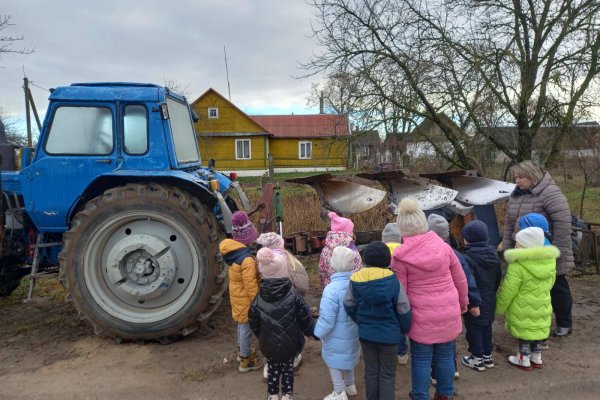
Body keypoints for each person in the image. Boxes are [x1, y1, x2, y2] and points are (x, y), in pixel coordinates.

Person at [391, 198, 468, 400]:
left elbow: (401, 293)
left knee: (421, 359)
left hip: (420, 315)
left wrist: (401, 320)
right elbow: (460, 277)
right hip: (448, 310)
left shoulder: (400, 256)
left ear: (402, 229)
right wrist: (463, 302)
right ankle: (445, 394)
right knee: (445, 356)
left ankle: (420, 395)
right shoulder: (443, 247)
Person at [503, 160, 574, 337]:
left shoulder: (551, 193)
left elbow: (563, 224)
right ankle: (531, 324)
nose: (517, 181)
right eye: (516, 177)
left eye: (521, 177)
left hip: (546, 250)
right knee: (529, 289)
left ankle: (564, 322)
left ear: (532, 176)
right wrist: (507, 247)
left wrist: (558, 252)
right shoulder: (516, 194)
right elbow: (509, 224)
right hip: (522, 250)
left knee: (557, 286)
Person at [344, 241, 412, 400]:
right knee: (387, 373)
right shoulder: (394, 281)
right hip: (390, 336)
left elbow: (348, 303)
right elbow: (404, 308)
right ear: (387, 260)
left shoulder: (355, 280)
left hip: (366, 335)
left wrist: (359, 319)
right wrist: (403, 328)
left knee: (371, 371)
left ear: (365, 259)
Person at [249, 247, 316, 400]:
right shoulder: (295, 297)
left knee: (272, 369)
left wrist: (261, 335)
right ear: (284, 272)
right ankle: (287, 395)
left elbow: (253, 321)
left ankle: (272, 395)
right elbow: (304, 319)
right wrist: (311, 332)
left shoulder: (257, 299)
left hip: (268, 343)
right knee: (287, 370)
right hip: (290, 343)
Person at [427, 214, 482, 381]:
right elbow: (466, 280)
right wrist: (473, 302)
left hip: (431, 305)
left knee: (433, 341)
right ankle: (453, 368)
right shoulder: (456, 255)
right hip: (452, 305)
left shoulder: (426, 254)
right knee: (448, 339)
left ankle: (436, 373)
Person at [496, 227, 559, 370]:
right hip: (543, 303)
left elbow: (508, 290)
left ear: (526, 246)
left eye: (519, 243)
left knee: (525, 332)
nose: (516, 245)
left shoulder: (517, 265)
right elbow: (551, 283)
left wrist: (499, 307)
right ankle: (537, 357)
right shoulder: (550, 262)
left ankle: (523, 358)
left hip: (522, 306)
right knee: (537, 330)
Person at [257, 232, 308, 379]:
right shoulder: (289, 260)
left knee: (269, 333)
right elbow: (301, 283)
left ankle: (270, 363)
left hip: (268, 305)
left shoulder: (261, 263)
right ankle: (295, 356)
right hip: (289, 304)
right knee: (292, 331)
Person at [219, 211, 263, 373]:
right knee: (246, 328)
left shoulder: (233, 253)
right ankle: (246, 361)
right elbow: (250, 284)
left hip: (237, 297)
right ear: (248, 238)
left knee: (241, 326)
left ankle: (241, 351)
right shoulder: (247, 260)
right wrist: (257, 301)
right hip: (246, 299)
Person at [315, 247, 361, 400]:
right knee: (348, 357)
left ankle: (339, 392)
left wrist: (317, 333)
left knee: (333, 361)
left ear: (333, 265)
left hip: (335, 336)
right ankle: (350, 385)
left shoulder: (331, 289)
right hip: (353, 333)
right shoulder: (356, 285)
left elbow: (327, 319)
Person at [459, 220, 502, 371]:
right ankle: (487, 356)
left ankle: (476, 358)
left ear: (468, 239)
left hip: (475, 300)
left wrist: (471, 303)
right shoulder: (494, 254)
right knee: (487, 327)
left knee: (474, 329)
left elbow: (468, 282)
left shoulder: (468, 258)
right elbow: (498, 276)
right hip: (490, 297)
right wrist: (492, 293)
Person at [381, 222, 409, 366]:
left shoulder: (381, 253)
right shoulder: (405, 251)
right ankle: (402, 353)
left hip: (384, 295)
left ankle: (387, 352)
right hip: (402, 295)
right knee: (400, 325)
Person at [257, 232, 310, 296]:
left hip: (268, 298)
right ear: (281, 244)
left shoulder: (261, 262)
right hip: (290, 297)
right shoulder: (290, 260)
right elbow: (301, 285)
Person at [319, 211, 362, 288]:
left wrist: (325, 287)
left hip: (330, 288)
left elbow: (322, 272)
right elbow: (358, 272)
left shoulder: (325, 250)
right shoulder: (353, 251)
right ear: (348, 232)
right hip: (350, 290)